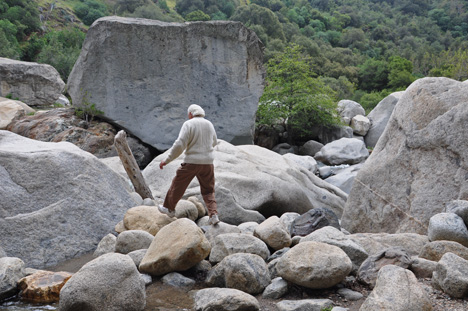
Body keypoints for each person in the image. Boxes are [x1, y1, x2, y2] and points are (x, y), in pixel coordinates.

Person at [158, 104, 220, 225]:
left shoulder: (189, 124)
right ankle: (213, 215)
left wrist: (167, 159)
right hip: (208, 163)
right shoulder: (209, 124)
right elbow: (214, 142)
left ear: (190, 114)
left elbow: (180, 144)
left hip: (191, 162)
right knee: (208, 190)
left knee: (178, 184)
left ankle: (169, 208)